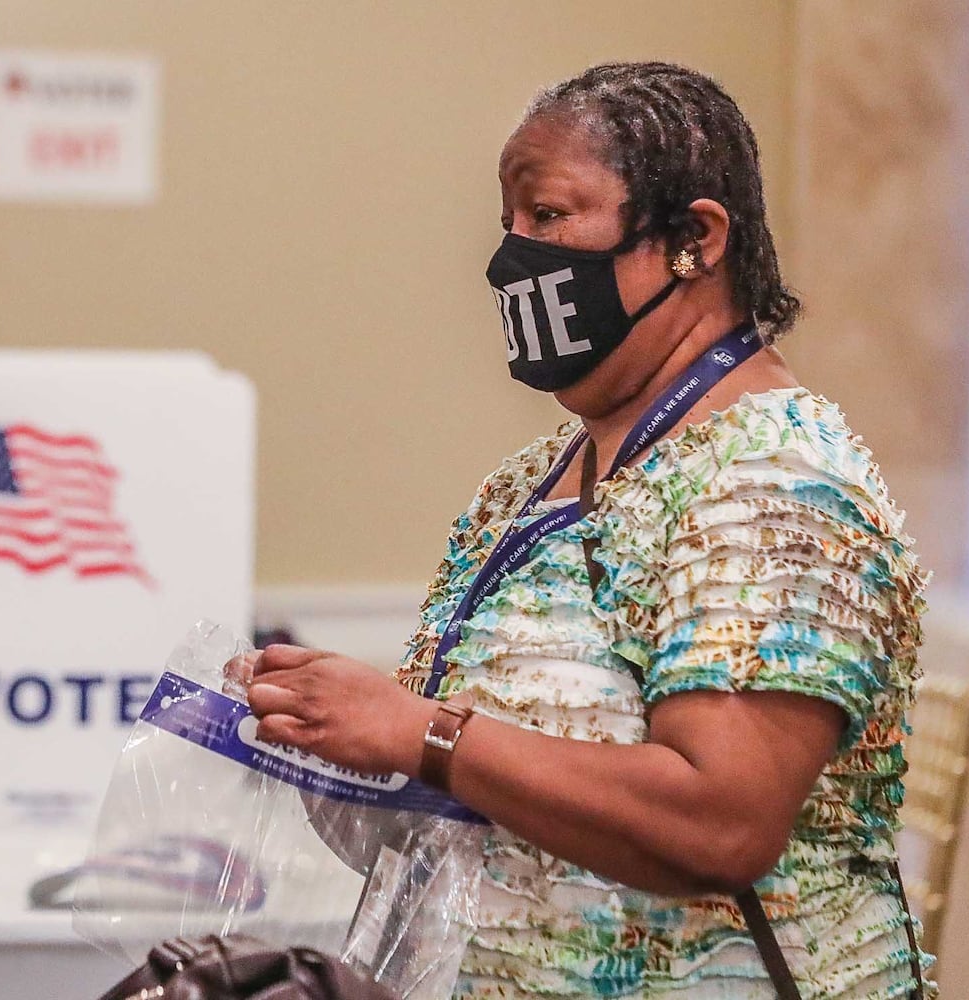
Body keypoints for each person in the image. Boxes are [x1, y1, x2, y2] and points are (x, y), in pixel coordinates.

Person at [244, 63, 929, 998]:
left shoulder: (779, 478)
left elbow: (721, 824)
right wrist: (318, 734)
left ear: (693, 239)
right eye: (508, 223)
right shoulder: (534, 481)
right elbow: (477, 790)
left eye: (550, 217)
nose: (512, 257)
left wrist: (422, 735)